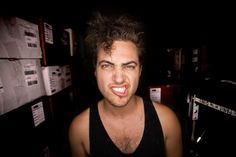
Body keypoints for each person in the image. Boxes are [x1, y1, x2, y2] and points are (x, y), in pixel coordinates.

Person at [69, 11, 183, 157]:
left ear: (140, 71)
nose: (118, 79)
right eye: (107, 65)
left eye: (129, 66)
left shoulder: (168, 122)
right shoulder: (79, 130)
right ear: (95, 71)